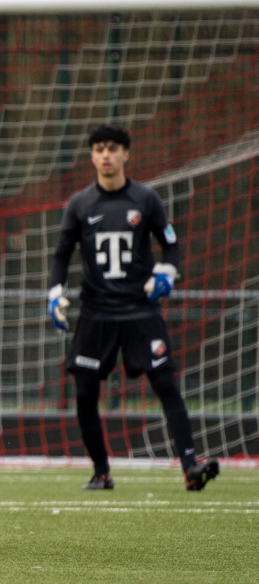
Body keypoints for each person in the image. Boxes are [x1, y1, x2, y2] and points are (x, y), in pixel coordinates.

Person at [48, 124, 219, 491]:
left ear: (126, 153)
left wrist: (167, 273)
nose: (105, 155)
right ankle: (101, 471)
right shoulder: (79, 204)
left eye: (112, 148)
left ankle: (191, 466)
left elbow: (170, 245)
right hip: (96, 312)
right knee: (84, 393)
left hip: (140, 310)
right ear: (92, 156)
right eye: (98, 149)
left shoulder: (146, 199)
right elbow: (61, 255)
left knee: (165, 383)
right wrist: (54, 293)